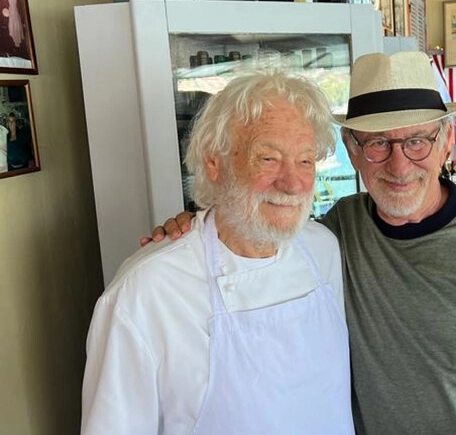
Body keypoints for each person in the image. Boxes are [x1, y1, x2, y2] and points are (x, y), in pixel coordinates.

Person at [146, 51, 456, 435]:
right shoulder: (334, 233)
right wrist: (200, 222)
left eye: (417, 140)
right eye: (377, 144)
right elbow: (259, 224)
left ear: (447, 141)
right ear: (352, 151)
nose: (398, 164)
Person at [82, 73, 354, 434]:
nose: (293, 183)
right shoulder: (145, 293)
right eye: (268, 158)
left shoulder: (324, 251)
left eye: (305, 161)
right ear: (214, 162)